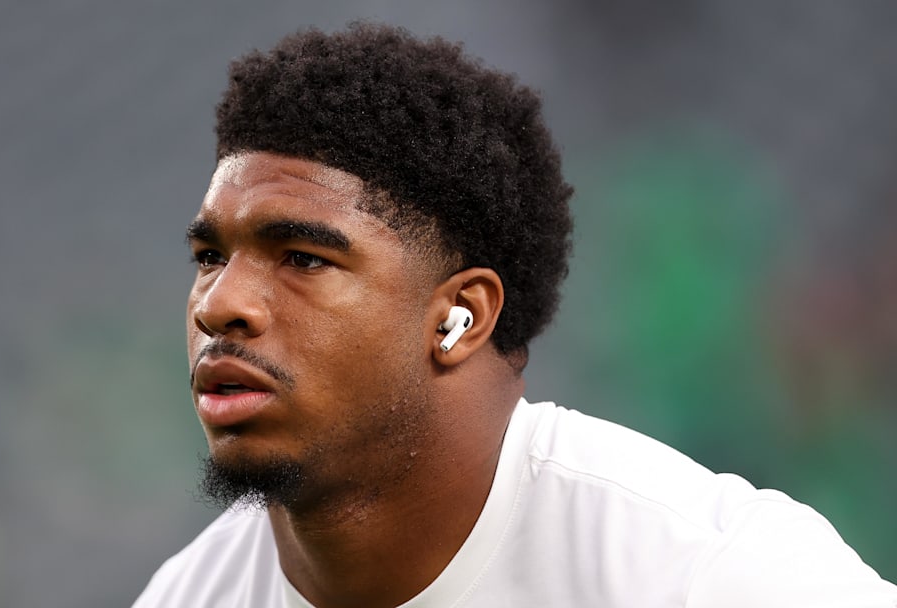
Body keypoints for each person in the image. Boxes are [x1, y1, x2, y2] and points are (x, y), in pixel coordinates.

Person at [132, 22, 897, 608]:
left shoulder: (705, 573)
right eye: (210, 256)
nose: (220, 304)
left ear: (460, 318)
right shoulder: (190, 593)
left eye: (303, 257)